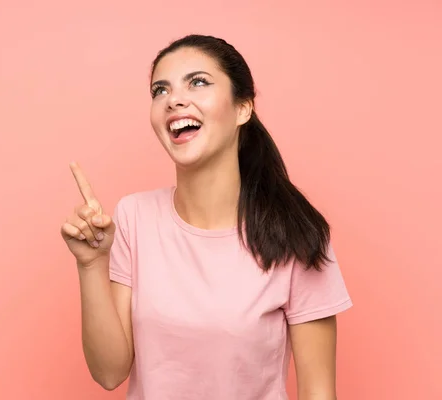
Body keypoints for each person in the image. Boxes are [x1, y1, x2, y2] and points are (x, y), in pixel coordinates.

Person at [61, 34, 352, 400]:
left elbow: (318, 392)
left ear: (243, 108)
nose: (174, 100)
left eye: (198, 82)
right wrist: (91, 265)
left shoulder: (296, 235)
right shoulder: (133, 217)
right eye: (160, 91)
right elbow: (109, 372)